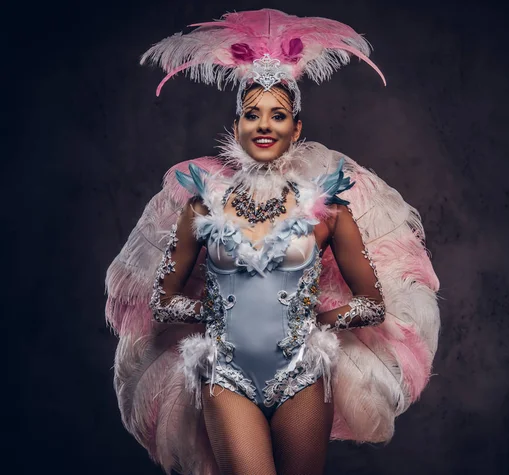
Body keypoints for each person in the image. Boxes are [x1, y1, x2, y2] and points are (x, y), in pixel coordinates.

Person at [105, 9, 440, 475]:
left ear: (295, 129)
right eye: (253, 114)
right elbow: (161, 301)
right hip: (223, 372)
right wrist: (213, 312)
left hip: (303, 374)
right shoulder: (201, 208)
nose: (265, 126)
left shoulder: (329, 213)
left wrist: (314, 319)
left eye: (278, 115)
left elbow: (371, 304)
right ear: (238, 124)